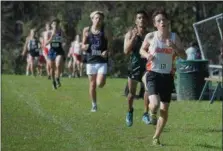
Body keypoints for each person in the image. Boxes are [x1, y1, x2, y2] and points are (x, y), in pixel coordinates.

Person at [140, 8, 186, 146]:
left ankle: (156, 137)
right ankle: (151, 113)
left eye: (164, 20)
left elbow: (184, 55)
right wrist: (147, 55)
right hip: (153, 74)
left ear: (168, 22)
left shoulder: (174, 37)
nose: (162, 22)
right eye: (159, 21)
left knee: (164, 110)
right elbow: (141, 50)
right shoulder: (150, 36)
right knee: (154, 104)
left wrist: (175, 48)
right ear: (155, 24)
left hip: (168, 76)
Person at [124, 10, 150, 127]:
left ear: (147, 21)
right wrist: (134, 37)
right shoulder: (130, 34)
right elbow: (126, 51)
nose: (141, 20)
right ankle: (130, 111)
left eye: (144, 18)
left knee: (148, 88)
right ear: (135, 21)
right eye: (139, 18)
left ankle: (145, 114)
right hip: (134, 66)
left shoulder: (150, 36)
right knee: (131, 94)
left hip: (147, 67)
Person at [82, 11, 111, 112]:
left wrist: (107, 51)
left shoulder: (105, 31)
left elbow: (109, 45)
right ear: (92, 19)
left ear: (102, 20)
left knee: (100, 84)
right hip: (90, 60)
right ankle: (94, 105)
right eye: (96, 18)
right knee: (92, 84)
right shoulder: (86, 30)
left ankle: (103, 79)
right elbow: (83, 45)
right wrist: (84, 47)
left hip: (101, 61)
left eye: (100, 19)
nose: (98, 20)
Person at [45, 18, 65, 89]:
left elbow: (63, 40)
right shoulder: (48, 33)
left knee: (58, 64)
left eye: (56, 24)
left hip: (59, 50)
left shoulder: (60, 31)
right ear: (51, 25)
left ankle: (57, 78)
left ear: (58, 25)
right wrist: (52, 37)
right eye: (54, 24)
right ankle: (53, 82)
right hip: (52, 51)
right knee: (52, 68)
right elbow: (46, 43)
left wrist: (59, 38)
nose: (55, 26)